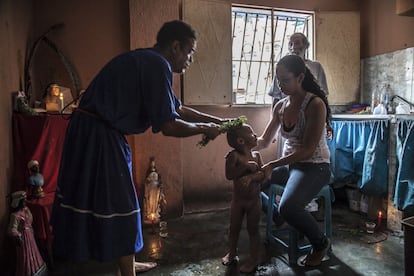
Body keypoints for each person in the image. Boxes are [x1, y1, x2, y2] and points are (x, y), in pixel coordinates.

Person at [50, 20, 229, 276]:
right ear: (176, 47)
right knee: (124, 203)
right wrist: (204, 129)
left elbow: (176, 108)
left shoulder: (148, 60)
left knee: (118, 201)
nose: (190, 59)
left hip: (96, 131)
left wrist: (217, 121)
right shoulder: (158, 65)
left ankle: (127, 263)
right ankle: (127, 271)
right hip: (98, 135)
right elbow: (168, 125)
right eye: (190, 51)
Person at [257, 54, 332, 267]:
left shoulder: (314, 105)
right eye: (278, 80)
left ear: (300, 78)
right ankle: (281, 218)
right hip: (292, 165)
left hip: (315, 167)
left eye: (286, 80)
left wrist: (272, 165)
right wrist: (239, 137)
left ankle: (320, 243)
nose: (281, 85)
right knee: (249, 183)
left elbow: (308, 151)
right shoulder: (280, 106)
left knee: (288, 205)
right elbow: (264, 140)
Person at [221, 123, 265, 273]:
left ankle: (253, 259)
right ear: (241, 141)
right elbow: (229, 175)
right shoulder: (234, 156)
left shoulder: (257, 155)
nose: (255, 135)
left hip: (254, 201)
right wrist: (245, 167)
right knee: (234, 228)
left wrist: (252, 177)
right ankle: (232, 253)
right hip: (238, 202)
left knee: (253, 229)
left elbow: (262, 175)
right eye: (252, 133)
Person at [268, 32, 329, 106]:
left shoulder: (316, 67)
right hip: (287, 109)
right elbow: (276, 96)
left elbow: (323, 93)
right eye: (290, 44)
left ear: (306, 45)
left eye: (297, 43)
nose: (293, 47)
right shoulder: (282, 68)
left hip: (311, 108)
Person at [7, 191, 48, 276]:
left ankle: (36, 269)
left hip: (30, 235)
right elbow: (11, 230)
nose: (25, 203)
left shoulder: (26, 210)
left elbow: (30, 219)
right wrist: (19, 235)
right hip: (23, 239)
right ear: (18, 202)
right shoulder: (15, 215)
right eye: (23, 201)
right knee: (25, 255)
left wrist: (29, 228)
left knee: (34, 252)